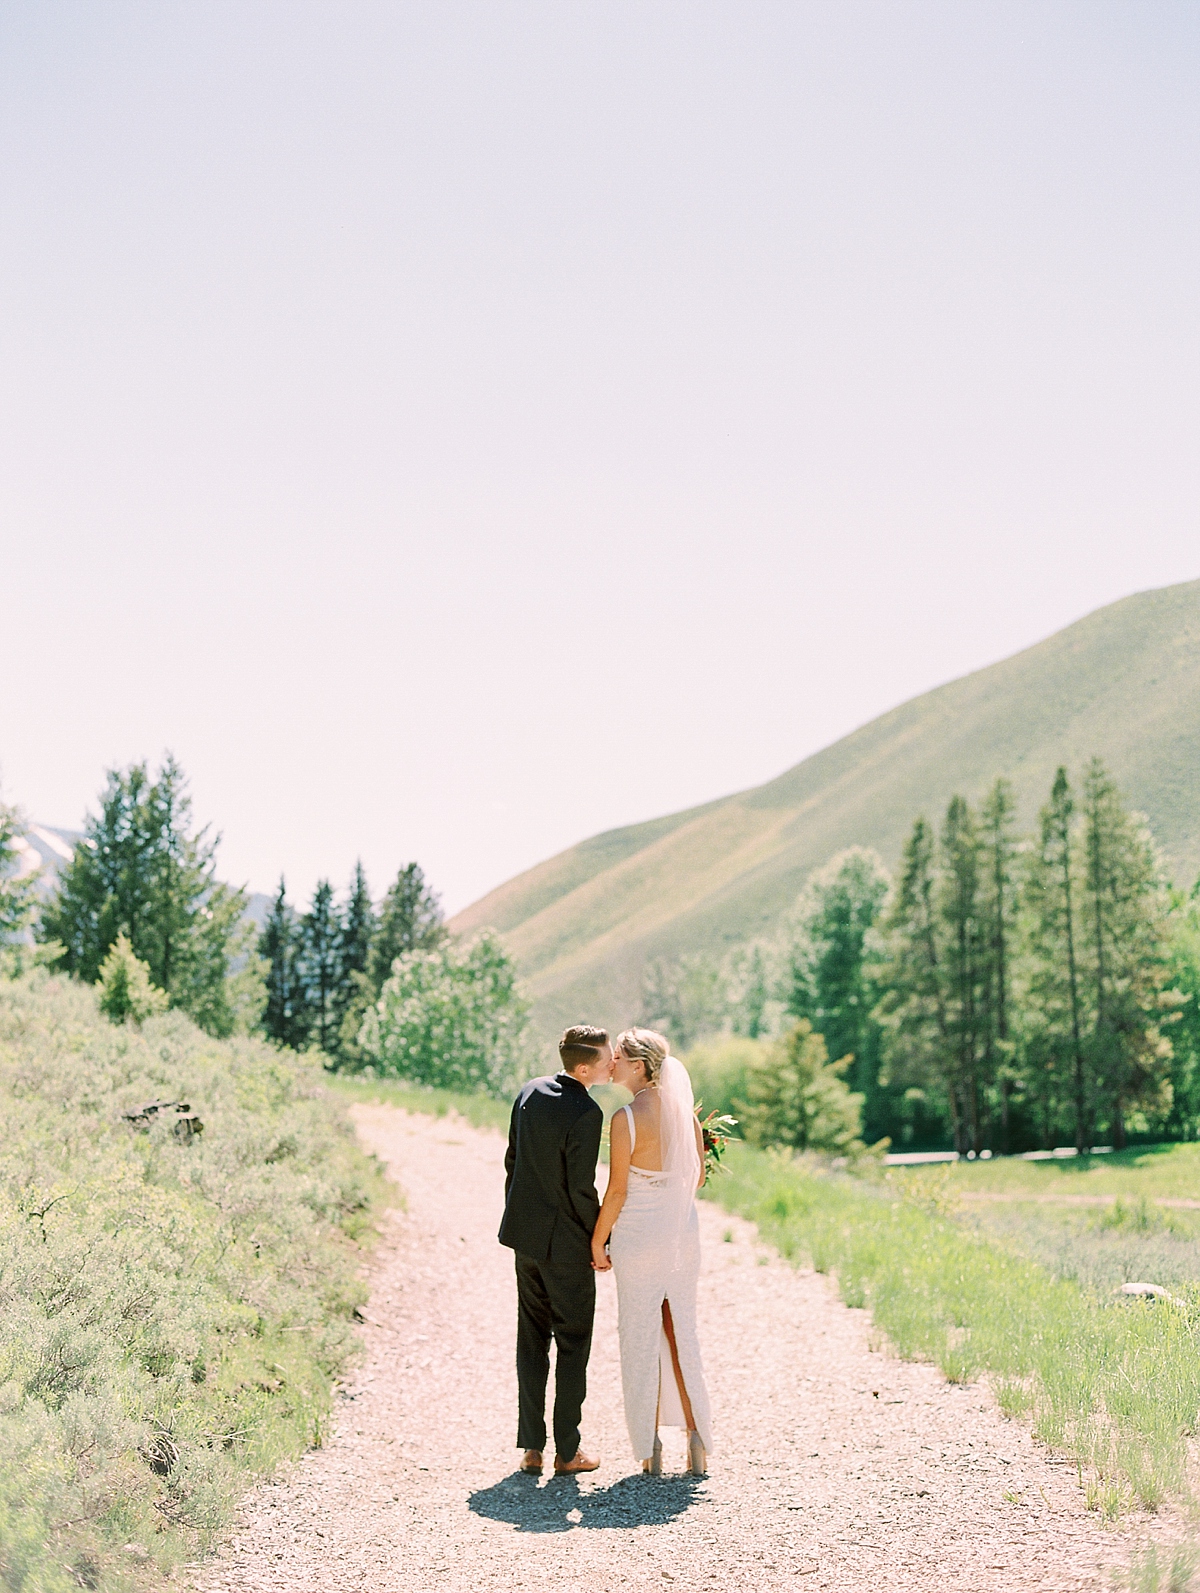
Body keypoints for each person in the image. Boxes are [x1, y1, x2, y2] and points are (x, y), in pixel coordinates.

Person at [591, 1027, 713, 1476]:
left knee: (639, 1338)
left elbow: (617, 1190)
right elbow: (696, 1180)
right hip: (682, 1234)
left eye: (618, 1057)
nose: (612, 1064)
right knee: (684, 1332)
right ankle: (697, 1440)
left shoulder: (624, 1118)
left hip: (640, 1237)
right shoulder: (688, 1117)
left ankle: (650, 1448)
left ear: (638, 1066)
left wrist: (597, 1240)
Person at [498, 1023, 614, 1476]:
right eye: (607, 1060)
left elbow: (513, 1160)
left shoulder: (529, 1092)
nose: (613, 1064)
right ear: (584, 1067)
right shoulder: (587, 1112)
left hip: (524, 1239)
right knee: (572, 1343)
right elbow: (580, 1189)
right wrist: (599, 1239)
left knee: (531, 1339)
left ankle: (532, 1449)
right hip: (565, 1247)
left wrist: (519, 1216)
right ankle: (568, 1452)